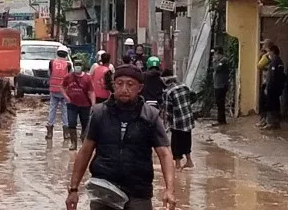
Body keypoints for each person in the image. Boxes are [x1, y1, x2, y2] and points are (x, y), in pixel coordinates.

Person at [65, 65, 176, 210]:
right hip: (104, 189)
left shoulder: (150, 116)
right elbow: (85, 151)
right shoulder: (99, 113)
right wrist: (74, 189)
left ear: (140, 88)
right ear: (113, 85)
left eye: (130, 84)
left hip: (138, 192)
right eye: (119, 83)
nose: (124, 89)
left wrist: (169, 190)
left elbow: (165, 154)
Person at [162, 69, 195, 171]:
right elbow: (194, 96)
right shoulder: (185, 86)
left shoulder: (168, 92)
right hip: (188, 118)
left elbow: (167, 111)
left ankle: (177, 165)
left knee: (176, 143)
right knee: (187, 139)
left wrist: (165, 124)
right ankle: (189, 161)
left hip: (177, 122)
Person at [61, 59, 96, 150]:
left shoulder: (87, 78)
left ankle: (84, 143)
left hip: (85, 105)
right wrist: (66, 97)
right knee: (72, 123)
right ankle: (73, 143)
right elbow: (62, 87)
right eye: (76, 65)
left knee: (85, 124)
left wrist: (93, 104)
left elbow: (91, 91)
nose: (77, 67)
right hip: (72, 104)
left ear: (82, 67)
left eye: (79, 65)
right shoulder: (68, 77)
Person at [47, 45, 73, 141]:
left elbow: (49, 74)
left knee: (52, 109)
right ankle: (66, 133)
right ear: (66, 54)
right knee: (65, 111)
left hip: (53, 90)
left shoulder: (52, 62)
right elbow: (71, 76)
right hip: (64, 91)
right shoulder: (68, 64)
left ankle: (49, 132)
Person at [262, 45, 285, 130]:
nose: (267, 54)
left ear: (273, 52)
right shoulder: (276, 61)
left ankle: (272, 123)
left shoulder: (276, 62)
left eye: (268, 51)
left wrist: (268, 88)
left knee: (271, 105)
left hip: (273, 88)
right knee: (273, 105)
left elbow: (273, 77)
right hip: (274, 88)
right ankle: (273, 122)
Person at [256, 39, 273, 128]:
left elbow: (259, 65)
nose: (262, 47)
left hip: (267, 82)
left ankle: (264, 120)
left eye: (263, 45)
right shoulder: (269, 56)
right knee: (264, 101)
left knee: (264, 102)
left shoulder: (267, 56)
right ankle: (264, 120)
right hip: (267, 81)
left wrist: (261, 56)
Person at [212, 47, 230, 126]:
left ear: (218, 53)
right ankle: (221, 119)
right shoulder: (220, 61)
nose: (214, 56)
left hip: (221, 85)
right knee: (219, 103)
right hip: (218, 85)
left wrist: (214, 62)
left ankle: (221, 120)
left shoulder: (223, 60)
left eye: (215, 54)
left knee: (220, 103)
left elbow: (217, 68)